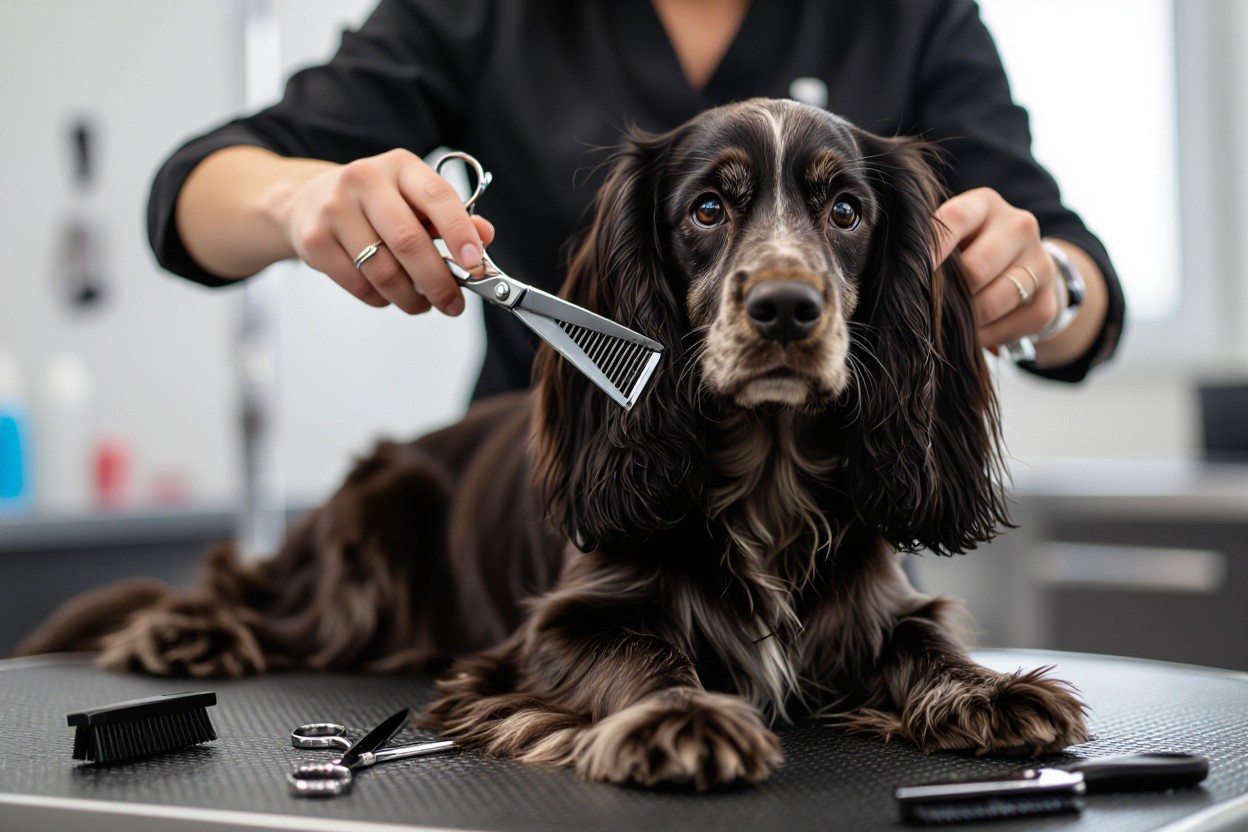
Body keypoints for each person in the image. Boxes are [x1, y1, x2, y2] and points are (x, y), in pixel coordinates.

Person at [150, 0, 1124, 400]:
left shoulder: (911, 15)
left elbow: (1078, 279)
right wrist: (299, 199)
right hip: (548, 523)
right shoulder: (480, 12)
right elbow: (190, 191)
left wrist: (1047, 288)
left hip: (833, 533)